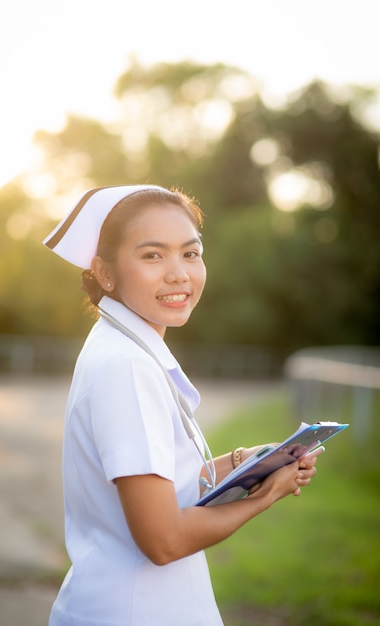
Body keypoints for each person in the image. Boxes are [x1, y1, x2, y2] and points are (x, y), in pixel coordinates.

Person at [43, 185, 318, 626]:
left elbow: (163, 481)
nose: (179, 274)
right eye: (153, 256)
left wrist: (246, 461)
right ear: (104, 273)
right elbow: (163, 539)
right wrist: (264, 496)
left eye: (190, 254)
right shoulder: (127, 365)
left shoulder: (127, 348)